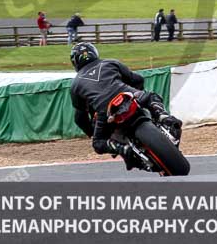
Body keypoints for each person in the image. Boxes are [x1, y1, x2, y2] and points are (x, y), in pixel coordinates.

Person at [69, 42, 184, 171]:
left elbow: (80, 118)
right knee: (151, 97)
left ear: (75, 62)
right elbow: (137, 79)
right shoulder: (110, 63)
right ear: (94, 53)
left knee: (98, 144)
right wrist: (138, 93)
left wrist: (92, 132)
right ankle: (164, 117)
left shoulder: (75, 85)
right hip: (127, 94)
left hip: (105, 111)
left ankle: (121, 148)